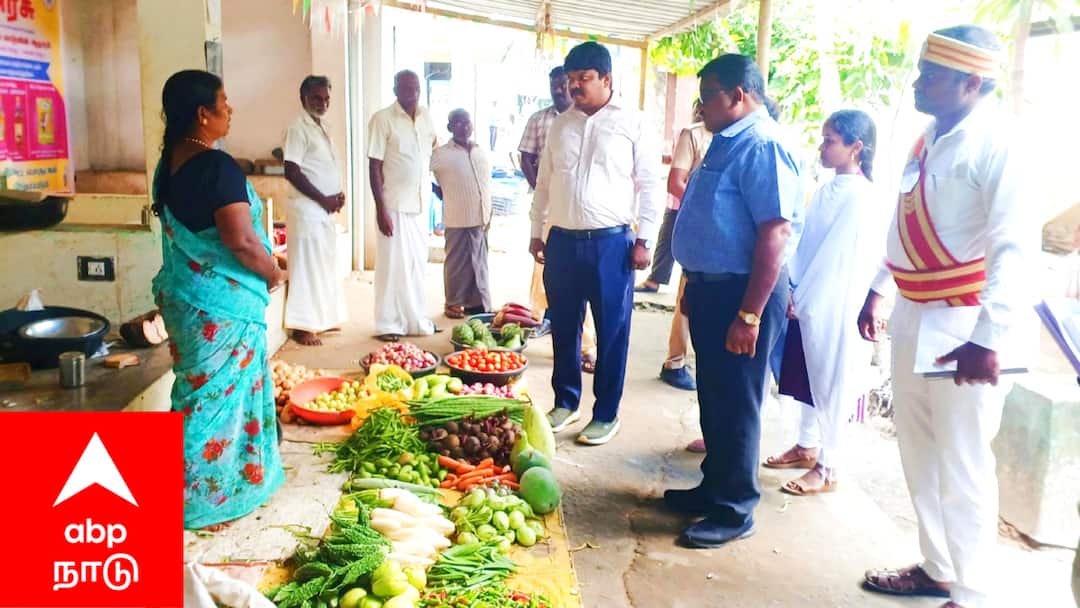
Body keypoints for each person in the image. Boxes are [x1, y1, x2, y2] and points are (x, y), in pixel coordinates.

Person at [859, 26, 1032, 608]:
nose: (916, 83)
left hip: (967, 325)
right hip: (913, 312)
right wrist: (878, 289)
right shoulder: (926, 139)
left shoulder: (999, 144)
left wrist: (991, 338)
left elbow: (1015, 248)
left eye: (930, 76)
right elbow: (903, 224)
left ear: (972, 83)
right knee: (919, 453)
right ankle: (937, 568)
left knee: (962, 464)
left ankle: (975, 592)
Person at [663, 54, 802, 547]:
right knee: (715, 395)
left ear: (738, 95)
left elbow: (775, 232)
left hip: (742, 294)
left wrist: (749, 313)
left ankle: (735, 507)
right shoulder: (728, 140)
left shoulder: (762, 145)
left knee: (738, 402)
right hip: (712, 288)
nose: (701, 107)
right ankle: (713, 486)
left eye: (708, 98)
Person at [150, 70, 286, 529]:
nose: (230, 111)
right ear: (202, 114)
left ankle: (191, 488)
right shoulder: (217, 166)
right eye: (224, 104)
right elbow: (242, 241)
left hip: (188, 300)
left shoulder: (169, 162)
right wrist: (273, 272)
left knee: (197, 396)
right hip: (222, 308)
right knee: (214, 406)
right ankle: (200, 501)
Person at [530, 42, 664, 445]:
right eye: (571, 80)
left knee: (612, 331)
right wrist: (537, 230)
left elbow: (650, 185)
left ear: (607, 80)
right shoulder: (560, 124)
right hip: (563, 244)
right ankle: (565, 403)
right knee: (564, 327)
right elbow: (544, 183)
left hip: (612, 246)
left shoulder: (634, 123)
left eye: (584, 79)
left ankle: (606, 413)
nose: (575, 87)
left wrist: (645, 240)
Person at [762, 109, 880, 496]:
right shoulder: (830, 189)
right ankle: (806, 445)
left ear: (856, 148)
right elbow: (805, 240)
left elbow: (837, 256)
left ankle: (829, 466)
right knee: (809, 376)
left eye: (830, 140)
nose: (822, 146)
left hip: (835, 303)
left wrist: (804, 293)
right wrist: (793, 283)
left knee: (832, 379)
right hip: (808, 295)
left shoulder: (862, 197)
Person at [521, 66, 599, 373]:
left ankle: (586, 346)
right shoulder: (540, 120)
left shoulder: (591, 121)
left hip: (585, 219)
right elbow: (526, 157)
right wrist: (541, 186)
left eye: (564, 84)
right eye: (555, 85)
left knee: (585, 287)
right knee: (547, 280)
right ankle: (550, 327)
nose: (560, 89)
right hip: (550, 213)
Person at [642, 100, 711, 394]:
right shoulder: (693, 135)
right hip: (693, 220)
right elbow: (676, 182)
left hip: (724, 231)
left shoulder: (738, 138)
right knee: (688, 293)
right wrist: (706, 211)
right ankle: (675, 362)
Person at [368, 70, 439, 341]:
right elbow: (374, 165)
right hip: (393, 204)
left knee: (416, 266)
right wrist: (380, 208)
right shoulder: (382, 119)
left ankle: (415, 320)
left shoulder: (426, 116)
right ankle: (388, 324)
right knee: (391, 266)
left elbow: (432, 151)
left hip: (420, 205)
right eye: (406, 88)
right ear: (395, 89)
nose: (412, 93)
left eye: (416, 88)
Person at [282, 75, 347, 346]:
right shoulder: (298, 127)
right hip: (307, 209)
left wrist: (335, 196)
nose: (323, 103)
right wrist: (323, 198)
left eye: (326, 98)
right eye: (317, 98)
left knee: (323, 265)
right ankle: (303, 327)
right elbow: (291, 170)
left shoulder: (322, 126)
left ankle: (321, 320)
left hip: (323, 210)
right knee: (306, 268)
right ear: (303, 98)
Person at [430, 109, 493, 318]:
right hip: (457, 216)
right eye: (458, 123)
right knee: (457, 264)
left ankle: (476, 303)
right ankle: (453, 304)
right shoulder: (441, 154)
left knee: (479, 261)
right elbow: (424, 176)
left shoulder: (478, 150)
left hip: (481, 216)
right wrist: (440, 192)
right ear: (449, 128)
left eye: (467, 123)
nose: (464, 127)